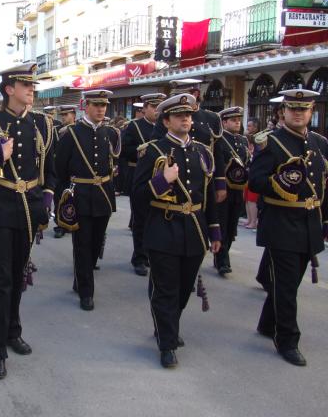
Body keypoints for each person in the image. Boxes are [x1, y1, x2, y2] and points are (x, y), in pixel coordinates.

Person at [0, 62, 55, 380]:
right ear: (9, 89)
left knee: (18, 276)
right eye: (25, 85)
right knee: (2, 281)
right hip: (1, 209)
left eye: (33, 85)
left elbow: (51, 170)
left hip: (29, 208)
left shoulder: (42, 124)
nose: (32, 89)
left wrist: (46, 200)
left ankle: (12, 332)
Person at [132, 93, 221, 369]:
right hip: (163, 228)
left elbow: (206, 195)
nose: (186, 119)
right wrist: (161, 181)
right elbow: (136, 195)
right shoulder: (153, 150)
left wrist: (215, 231)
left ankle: (168, 325)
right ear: (167, 120)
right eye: (180, 115)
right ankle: (167, 342)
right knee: (166, 290)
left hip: (194, 229)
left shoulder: (202, 152)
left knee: (183, 290)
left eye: (189, 115)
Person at [248, 89, 328, 367]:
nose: (298, 113)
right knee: (286, 287)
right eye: (292, 108)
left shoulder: (319, 143)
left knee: (288, 283)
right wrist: (279, 185)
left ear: (311, 111)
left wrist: (324, 222)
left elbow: (323, 186)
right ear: (283, 112)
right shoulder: (269, 143)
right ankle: (288, 340)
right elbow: (255, 181)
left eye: (303, 109)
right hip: (281, 224)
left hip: (309, 225)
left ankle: (267, 323)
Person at [55, 90, 118, 311]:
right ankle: (86, 291)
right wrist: (61, 200)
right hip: (80, 196)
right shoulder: (70, 133)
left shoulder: (110, 133)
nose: (101, 109)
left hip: (102, 196)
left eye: (104, 105)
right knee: (82, 245)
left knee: (95, 243)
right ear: (85, 106)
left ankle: (81, 277)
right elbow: (59, 169)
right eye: (97, 105)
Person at [121, 93, 164, 276]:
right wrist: (141, 152)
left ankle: (155, 255)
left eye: (159, 107)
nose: (156, 111)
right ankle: (139, 257)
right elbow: (124, 149)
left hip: (162, 178)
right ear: (144, 108)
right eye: (153, 107)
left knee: (158, 219)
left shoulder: (165, 127)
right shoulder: (134, 126)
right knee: (140, 220)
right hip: (140, 175)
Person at [212, 106, 249, 276]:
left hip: (237, 190)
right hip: (223, 188)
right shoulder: (219, 140)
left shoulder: (243, 141)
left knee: (232, 224)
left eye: (238, 120)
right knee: (223, 223)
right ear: (224, 122)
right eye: (233, 120)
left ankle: (221, 254)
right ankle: (222, 260)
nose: (237, 123)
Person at [52, 105, 77, 239]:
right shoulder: (56, 131)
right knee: (59, 199)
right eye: (62, 115)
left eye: (66, 115)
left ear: (74, 115)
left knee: (74, 199)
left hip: (74, 170)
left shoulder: (78, 130)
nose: (63, 118)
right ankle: (60, 225)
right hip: (60, 170)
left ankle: (71, 222)